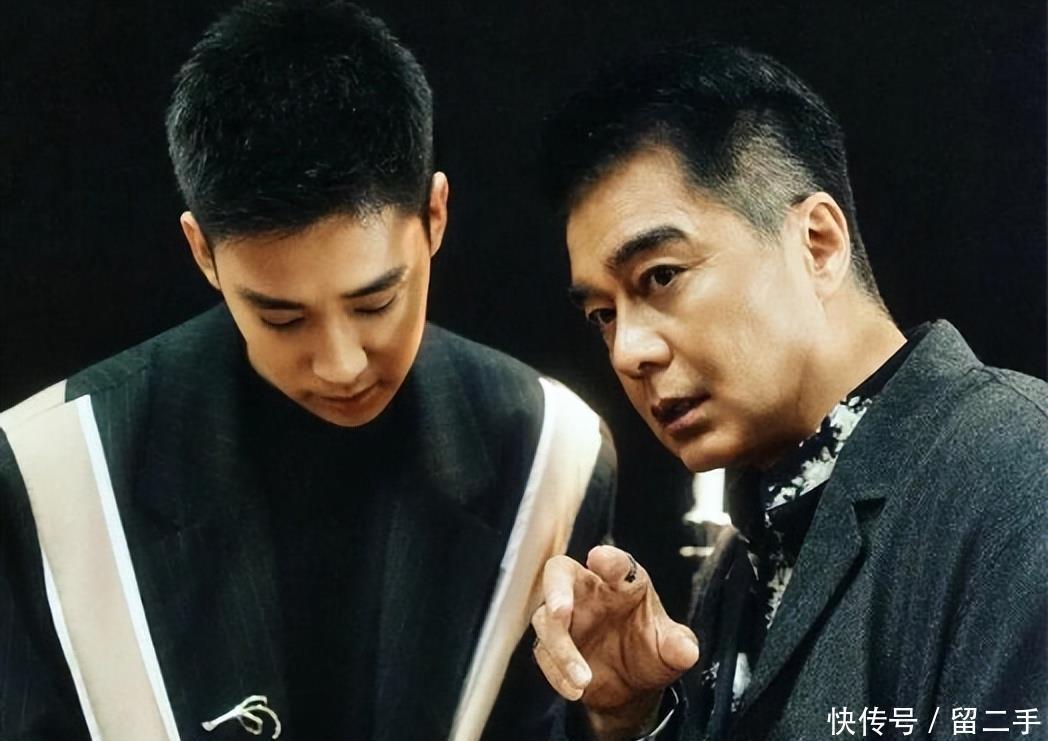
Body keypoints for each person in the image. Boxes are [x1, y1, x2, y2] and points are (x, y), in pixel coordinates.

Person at [0, 2, 614, 739]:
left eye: (376, 302)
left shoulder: (552, 455)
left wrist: (628, 716)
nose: (342, 364)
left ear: (436, 215)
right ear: (202, 253)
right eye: (282, 318)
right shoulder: (47, 471)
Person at [533, 44, 1047, 740]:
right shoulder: (746, 552)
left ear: (818, 244)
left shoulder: (1019, 476)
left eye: (661, 276)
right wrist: (633, 717)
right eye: (603, 314)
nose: (628, 350)